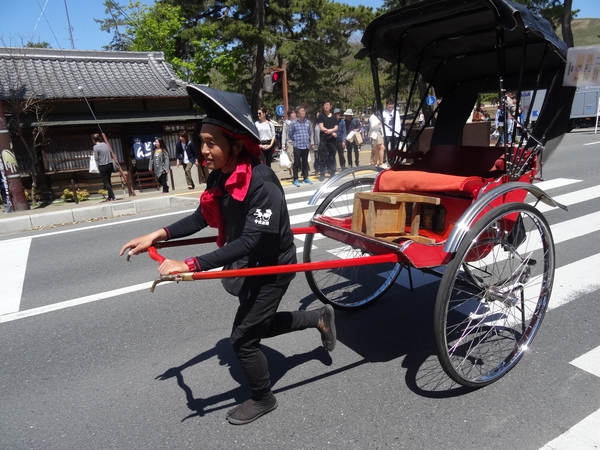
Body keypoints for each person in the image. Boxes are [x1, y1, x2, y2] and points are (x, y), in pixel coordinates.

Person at [119, 86, 336, 426]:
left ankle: (263, 398)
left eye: (210, 142)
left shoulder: (261, 182)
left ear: (235, 144)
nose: (202, 150)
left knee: (244, 339)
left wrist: (191, 264)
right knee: (257, 325)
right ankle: (319, 317)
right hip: (249, 263)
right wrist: (157, 235)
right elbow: (201, 217)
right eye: (201, 141)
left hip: (273, 266)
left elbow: (250, 240)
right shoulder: (221, 175)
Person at [288, 105, 314, 186]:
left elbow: (310, 132)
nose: (304, 112)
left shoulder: (307, 122)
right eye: (302, 111)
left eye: (304, 111)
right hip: (297, 145)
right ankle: (295, 178)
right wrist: (295, 141)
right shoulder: (293, 123)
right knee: (296, 163)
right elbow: (290, 134)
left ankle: (305, 177)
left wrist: (310, 142)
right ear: (297, 113)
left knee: (305, 162)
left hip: (305, 145)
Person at [316, 101, 338, 181]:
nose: (326, 107)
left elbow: (336, 127)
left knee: (332, 156)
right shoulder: (321, 116)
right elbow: (321, 127)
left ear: (330, 107)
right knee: (322, 157)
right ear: (323, 107)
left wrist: (331, 131)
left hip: (332, 139)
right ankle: (322, 174)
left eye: (328, 105)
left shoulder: (334, 117)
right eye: (325, 105)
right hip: (323, 138)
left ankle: (332, 172)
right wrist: (331, 132)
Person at [92, 134, 116, 201]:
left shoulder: (96, 147)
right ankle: (110, 197)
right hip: (109, 164)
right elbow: (111, 152)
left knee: (106, 182)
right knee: (108, 181)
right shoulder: (105, 144)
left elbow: (96, 158)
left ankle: (113, 196)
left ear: (94, 140)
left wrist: (96, 167)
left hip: (102, 165)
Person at [281, 110, 296, 177]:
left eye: (295, 113)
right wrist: (283, 144)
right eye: (293, 113)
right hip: (289, 143)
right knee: (291, 158)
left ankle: (295, 171)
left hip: (297, 142)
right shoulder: (286, 123)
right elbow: (284, 133)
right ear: (290, 115)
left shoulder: (297, 122)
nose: (294, 114)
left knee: (296, 158)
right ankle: (292, 172)